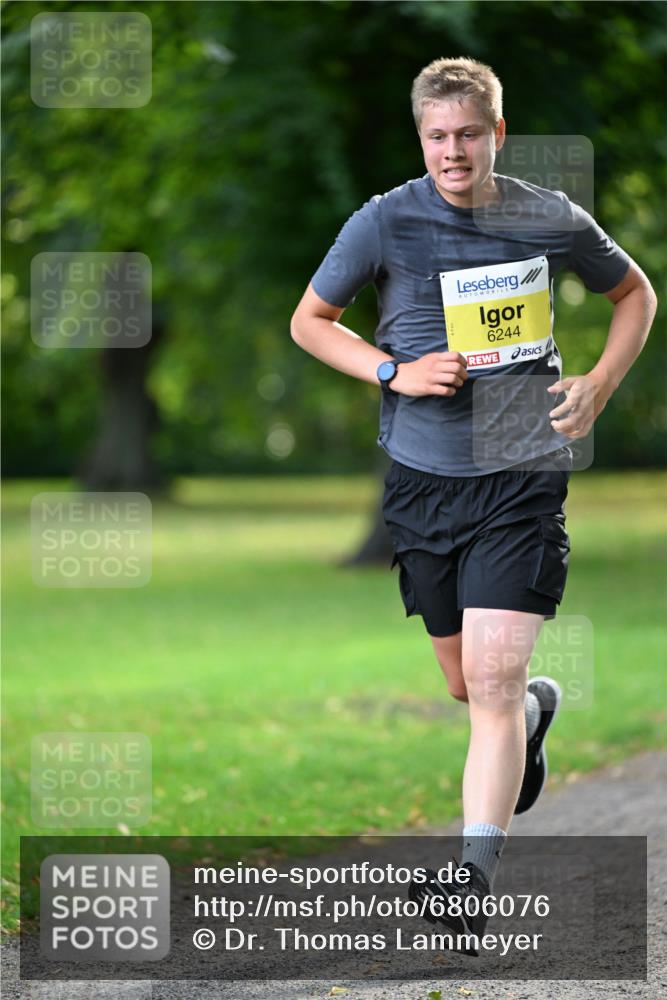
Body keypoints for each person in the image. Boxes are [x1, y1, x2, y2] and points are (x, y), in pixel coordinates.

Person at [290, 56, 656, 953]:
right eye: (436, 136)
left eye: (467, 133)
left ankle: (470, 877)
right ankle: (534, 714)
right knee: (468, 685)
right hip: (421, 479)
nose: (453, 151)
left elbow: (634, 294)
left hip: (521, 471)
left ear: (496, 132)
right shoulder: (383, 220)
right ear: (423, 139)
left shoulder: (546, 214)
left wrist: (600, 385)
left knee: (488, 681)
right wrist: (393, 371)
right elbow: (309, 322)